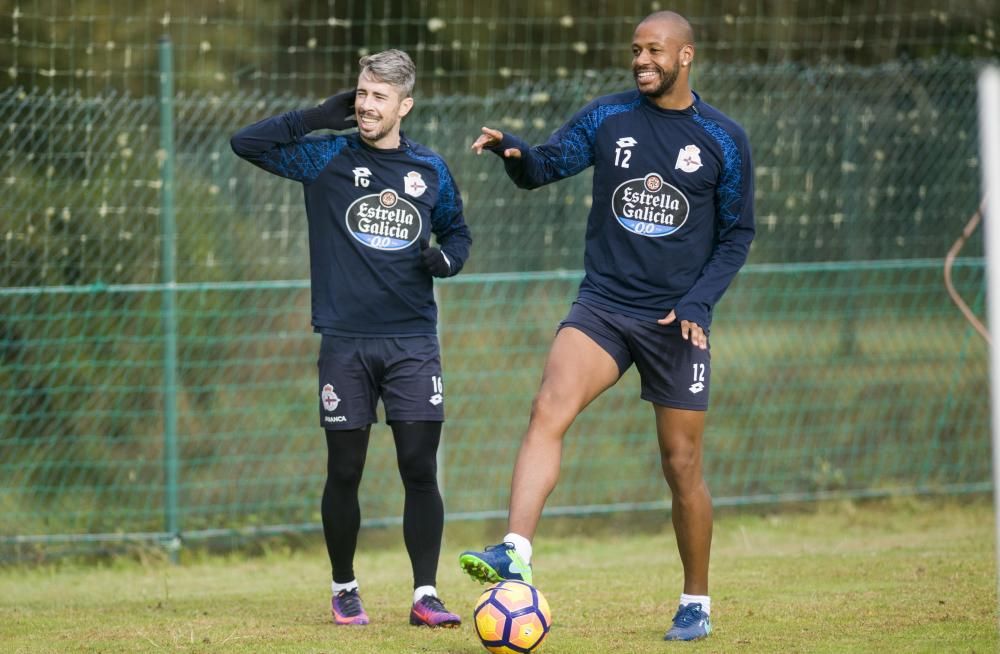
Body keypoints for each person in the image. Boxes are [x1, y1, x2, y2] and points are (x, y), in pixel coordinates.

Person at [458, 11, 754, 642]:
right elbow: (545, 165)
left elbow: (737, 235)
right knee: (548, 408)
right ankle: (515, 549)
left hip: (677, 321)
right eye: (635, 50)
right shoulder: (607, 117)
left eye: (654, 51)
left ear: (686, 56)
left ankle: (695, 600)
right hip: (604, 306)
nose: (641, 60)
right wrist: (515, 152)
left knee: (681, 466)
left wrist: (700, 304)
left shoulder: (723, 138)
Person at [231, 49, 471, 628]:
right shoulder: (325, 158)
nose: (366, 105)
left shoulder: (430, 169)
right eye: (361, 94)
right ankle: (344, 589)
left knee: (419, 466)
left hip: (413, 341)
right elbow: (247, 143)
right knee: (345, 470)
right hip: (345, 341)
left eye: (378, 97)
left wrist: (444, 261)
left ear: (404, 106)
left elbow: (458, 235)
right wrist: (316, 114)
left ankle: (426, 596)